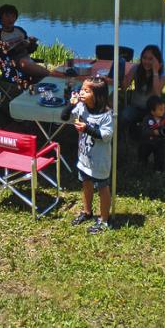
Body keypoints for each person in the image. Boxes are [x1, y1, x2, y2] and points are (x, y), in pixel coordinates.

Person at [60, 77, 113, 234]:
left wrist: (87, 129)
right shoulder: (81, 107)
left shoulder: (106, 115)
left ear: (98, 96)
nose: (82, 92)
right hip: (84, 158)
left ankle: (104, 220)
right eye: (82, 89)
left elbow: (106, 136)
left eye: (86, 90)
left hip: (99, 161)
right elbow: (63, 116)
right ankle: (87, 211)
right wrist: (72, 103)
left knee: (103, 188)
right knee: (86, 184)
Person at [0, 4, 63, 87]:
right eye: (7, 16)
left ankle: (54, 77)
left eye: (13, 16)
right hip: (10, 62)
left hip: (26, 58)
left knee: (26, 62)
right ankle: (54, 76)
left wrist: (32, 44)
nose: (10, 19)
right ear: (0, 19)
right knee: (23, 63)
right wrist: (18, 48)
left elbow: (30, 50)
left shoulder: (19, 30)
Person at [120, 44, 165, 136]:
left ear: (157, 61)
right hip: (135, 107)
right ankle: (120, 137)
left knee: (151, 127)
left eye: (151, 59)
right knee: (124, 116)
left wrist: (155, 72)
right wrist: (122, 73)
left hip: (151, 110)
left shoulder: (162, 74)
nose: (147, 61)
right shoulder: (136, 68)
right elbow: (124, 87)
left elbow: (157, 94)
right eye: (144, 58)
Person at [138, 95, 165, 172]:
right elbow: (144, 130)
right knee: (143, 153)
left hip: (160, 142)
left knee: (160, 156)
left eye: (164, 109)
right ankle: (142, 164)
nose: (163, 111)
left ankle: (158, 169)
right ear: (152, 111)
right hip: (147, 142)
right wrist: (152, 132)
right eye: (160, 110)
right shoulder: (147, 119)